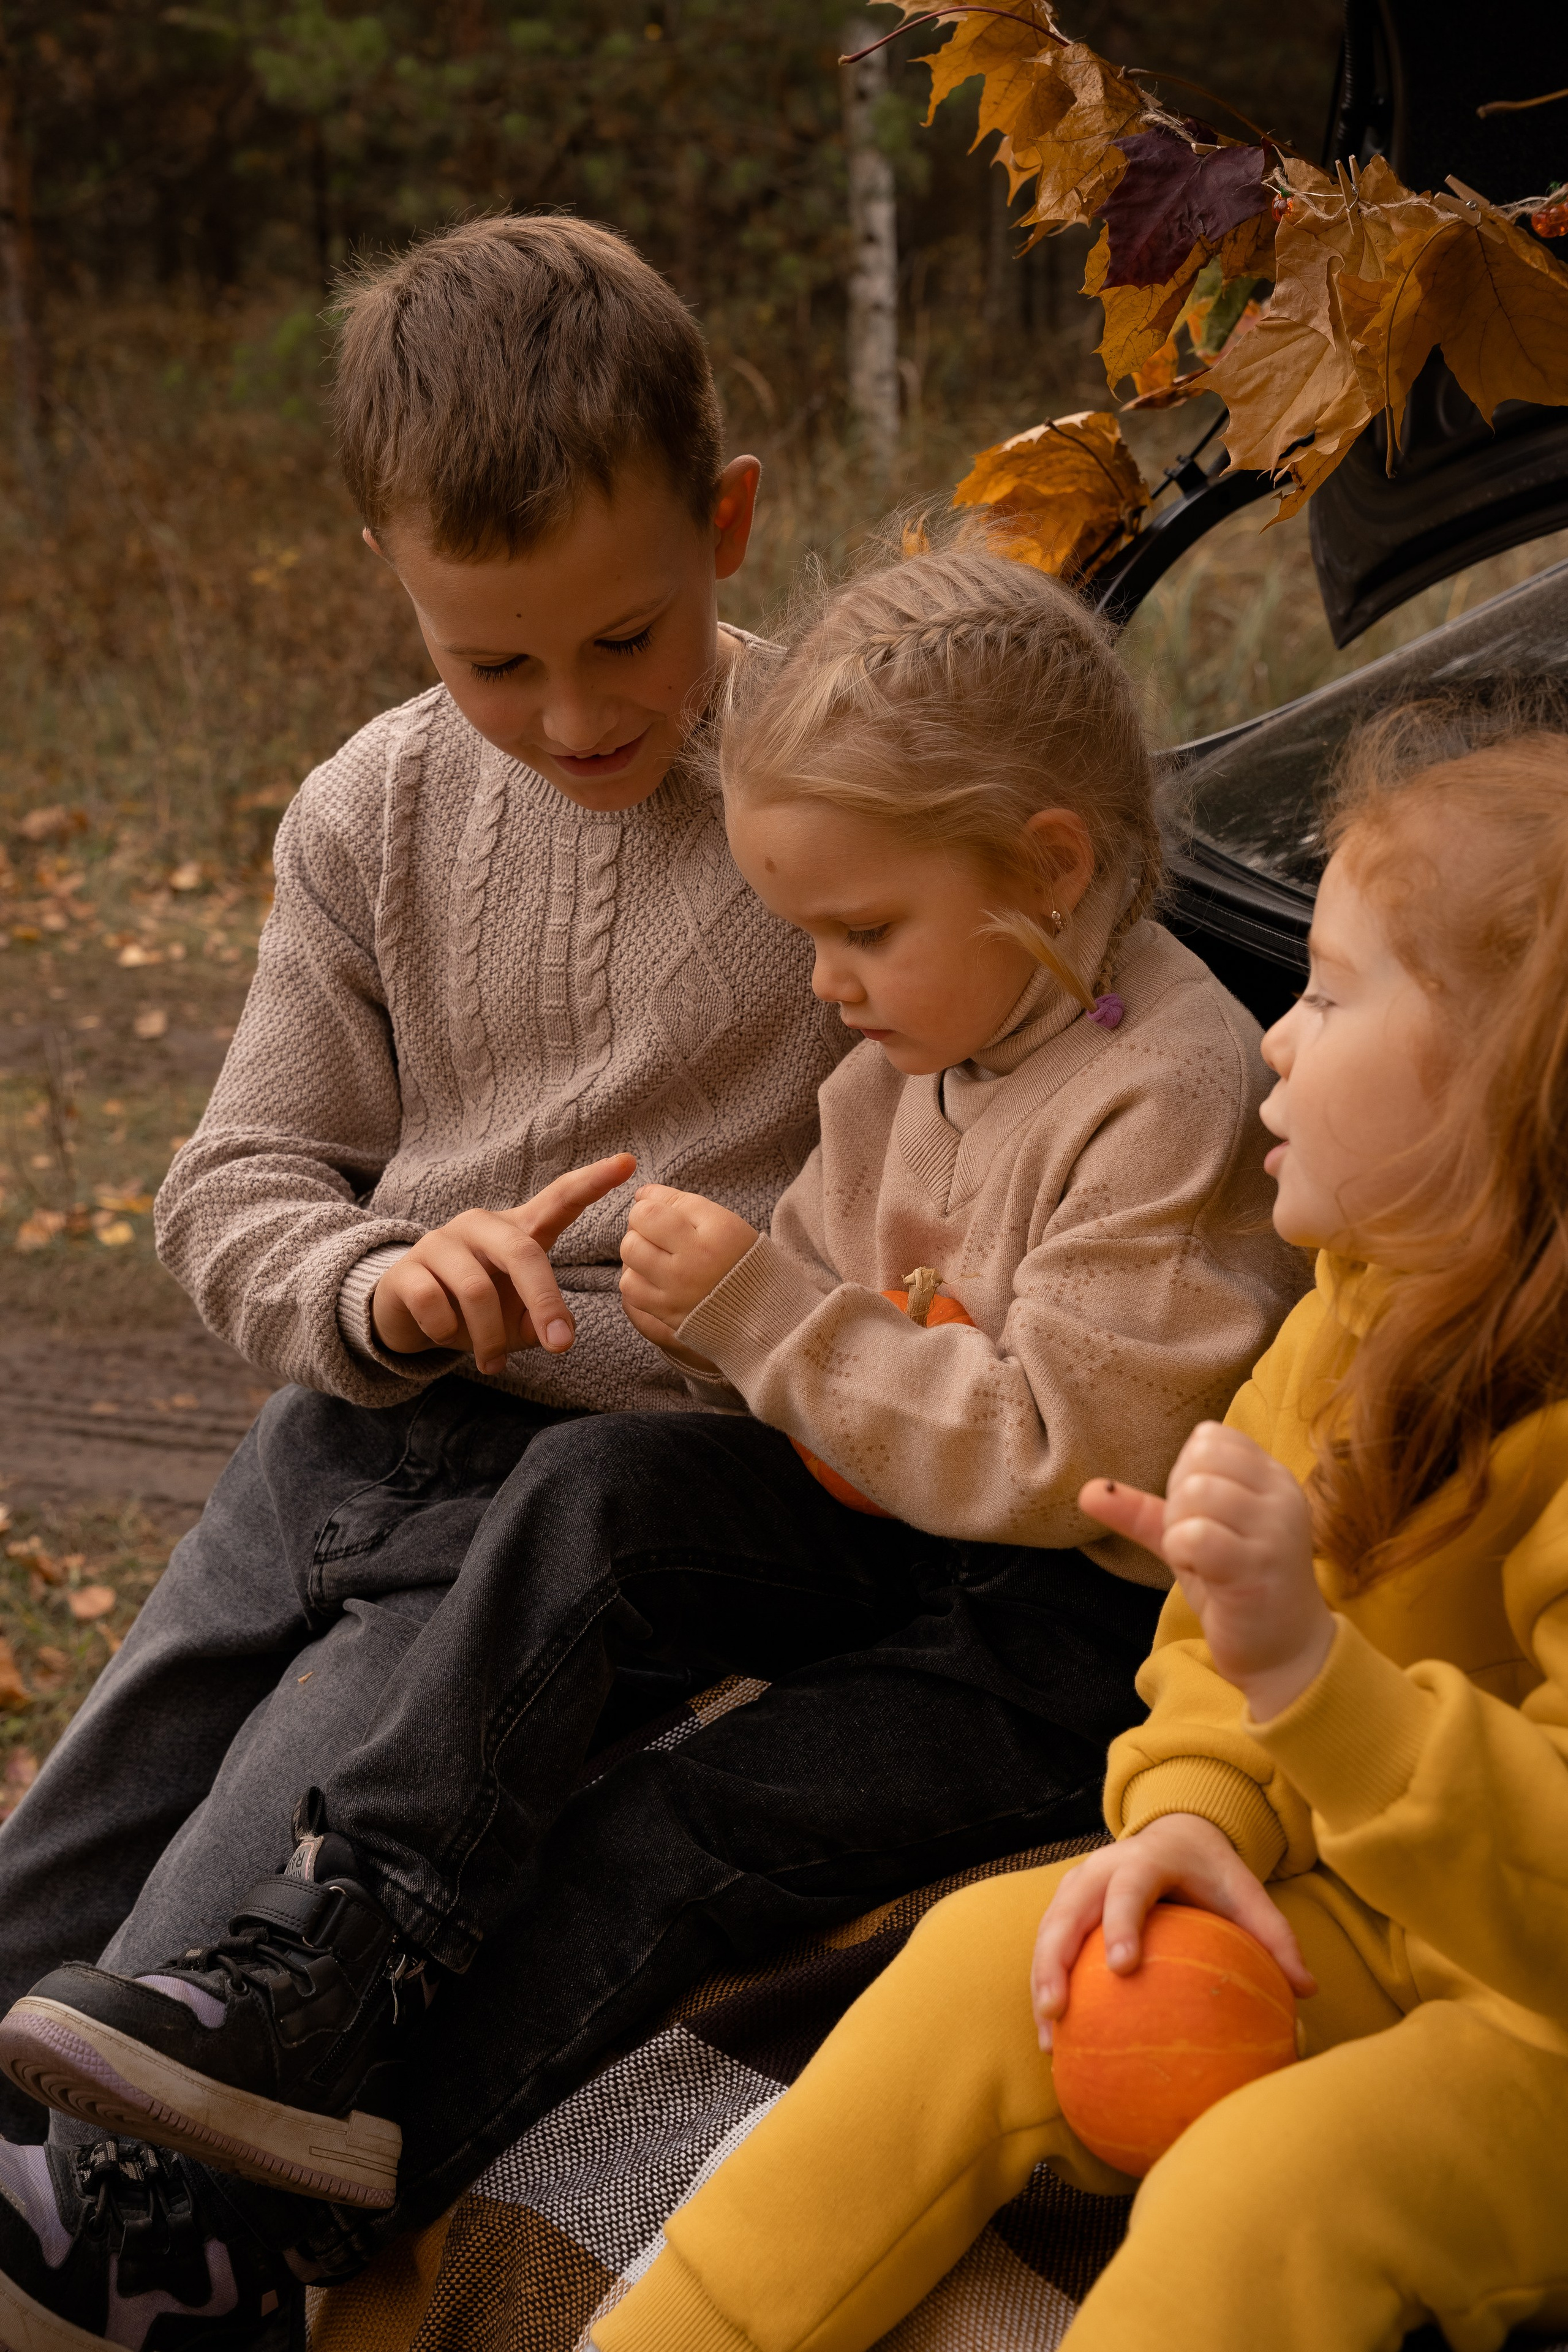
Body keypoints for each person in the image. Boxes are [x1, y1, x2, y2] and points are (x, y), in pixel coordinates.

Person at [0, 536, 1303, 2346]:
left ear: (1052, 868)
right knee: (597, 1491)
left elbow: (1057, 1449)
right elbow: (820, 1373)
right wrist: (706, 1331)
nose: (825, 986)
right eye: (809, 936)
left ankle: (282, 2222)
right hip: (893, 1521)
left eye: (861, 933)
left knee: (683, 1824)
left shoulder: (1169, 1091)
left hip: (1062, 1630)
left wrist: (771, 1316)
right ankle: (335, 1952)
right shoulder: (909, 1058)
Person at [586, 696, 1568, 2352]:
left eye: (1327, 997)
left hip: (1542, 2026)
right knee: (992, 1960)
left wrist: (1322, 1689)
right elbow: (1214, 1641)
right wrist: (1196, 1810)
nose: (1272, 1035)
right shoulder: (1344, 1323)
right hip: (1382, 1921)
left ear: (1509, 1085)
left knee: (1274, 2185)